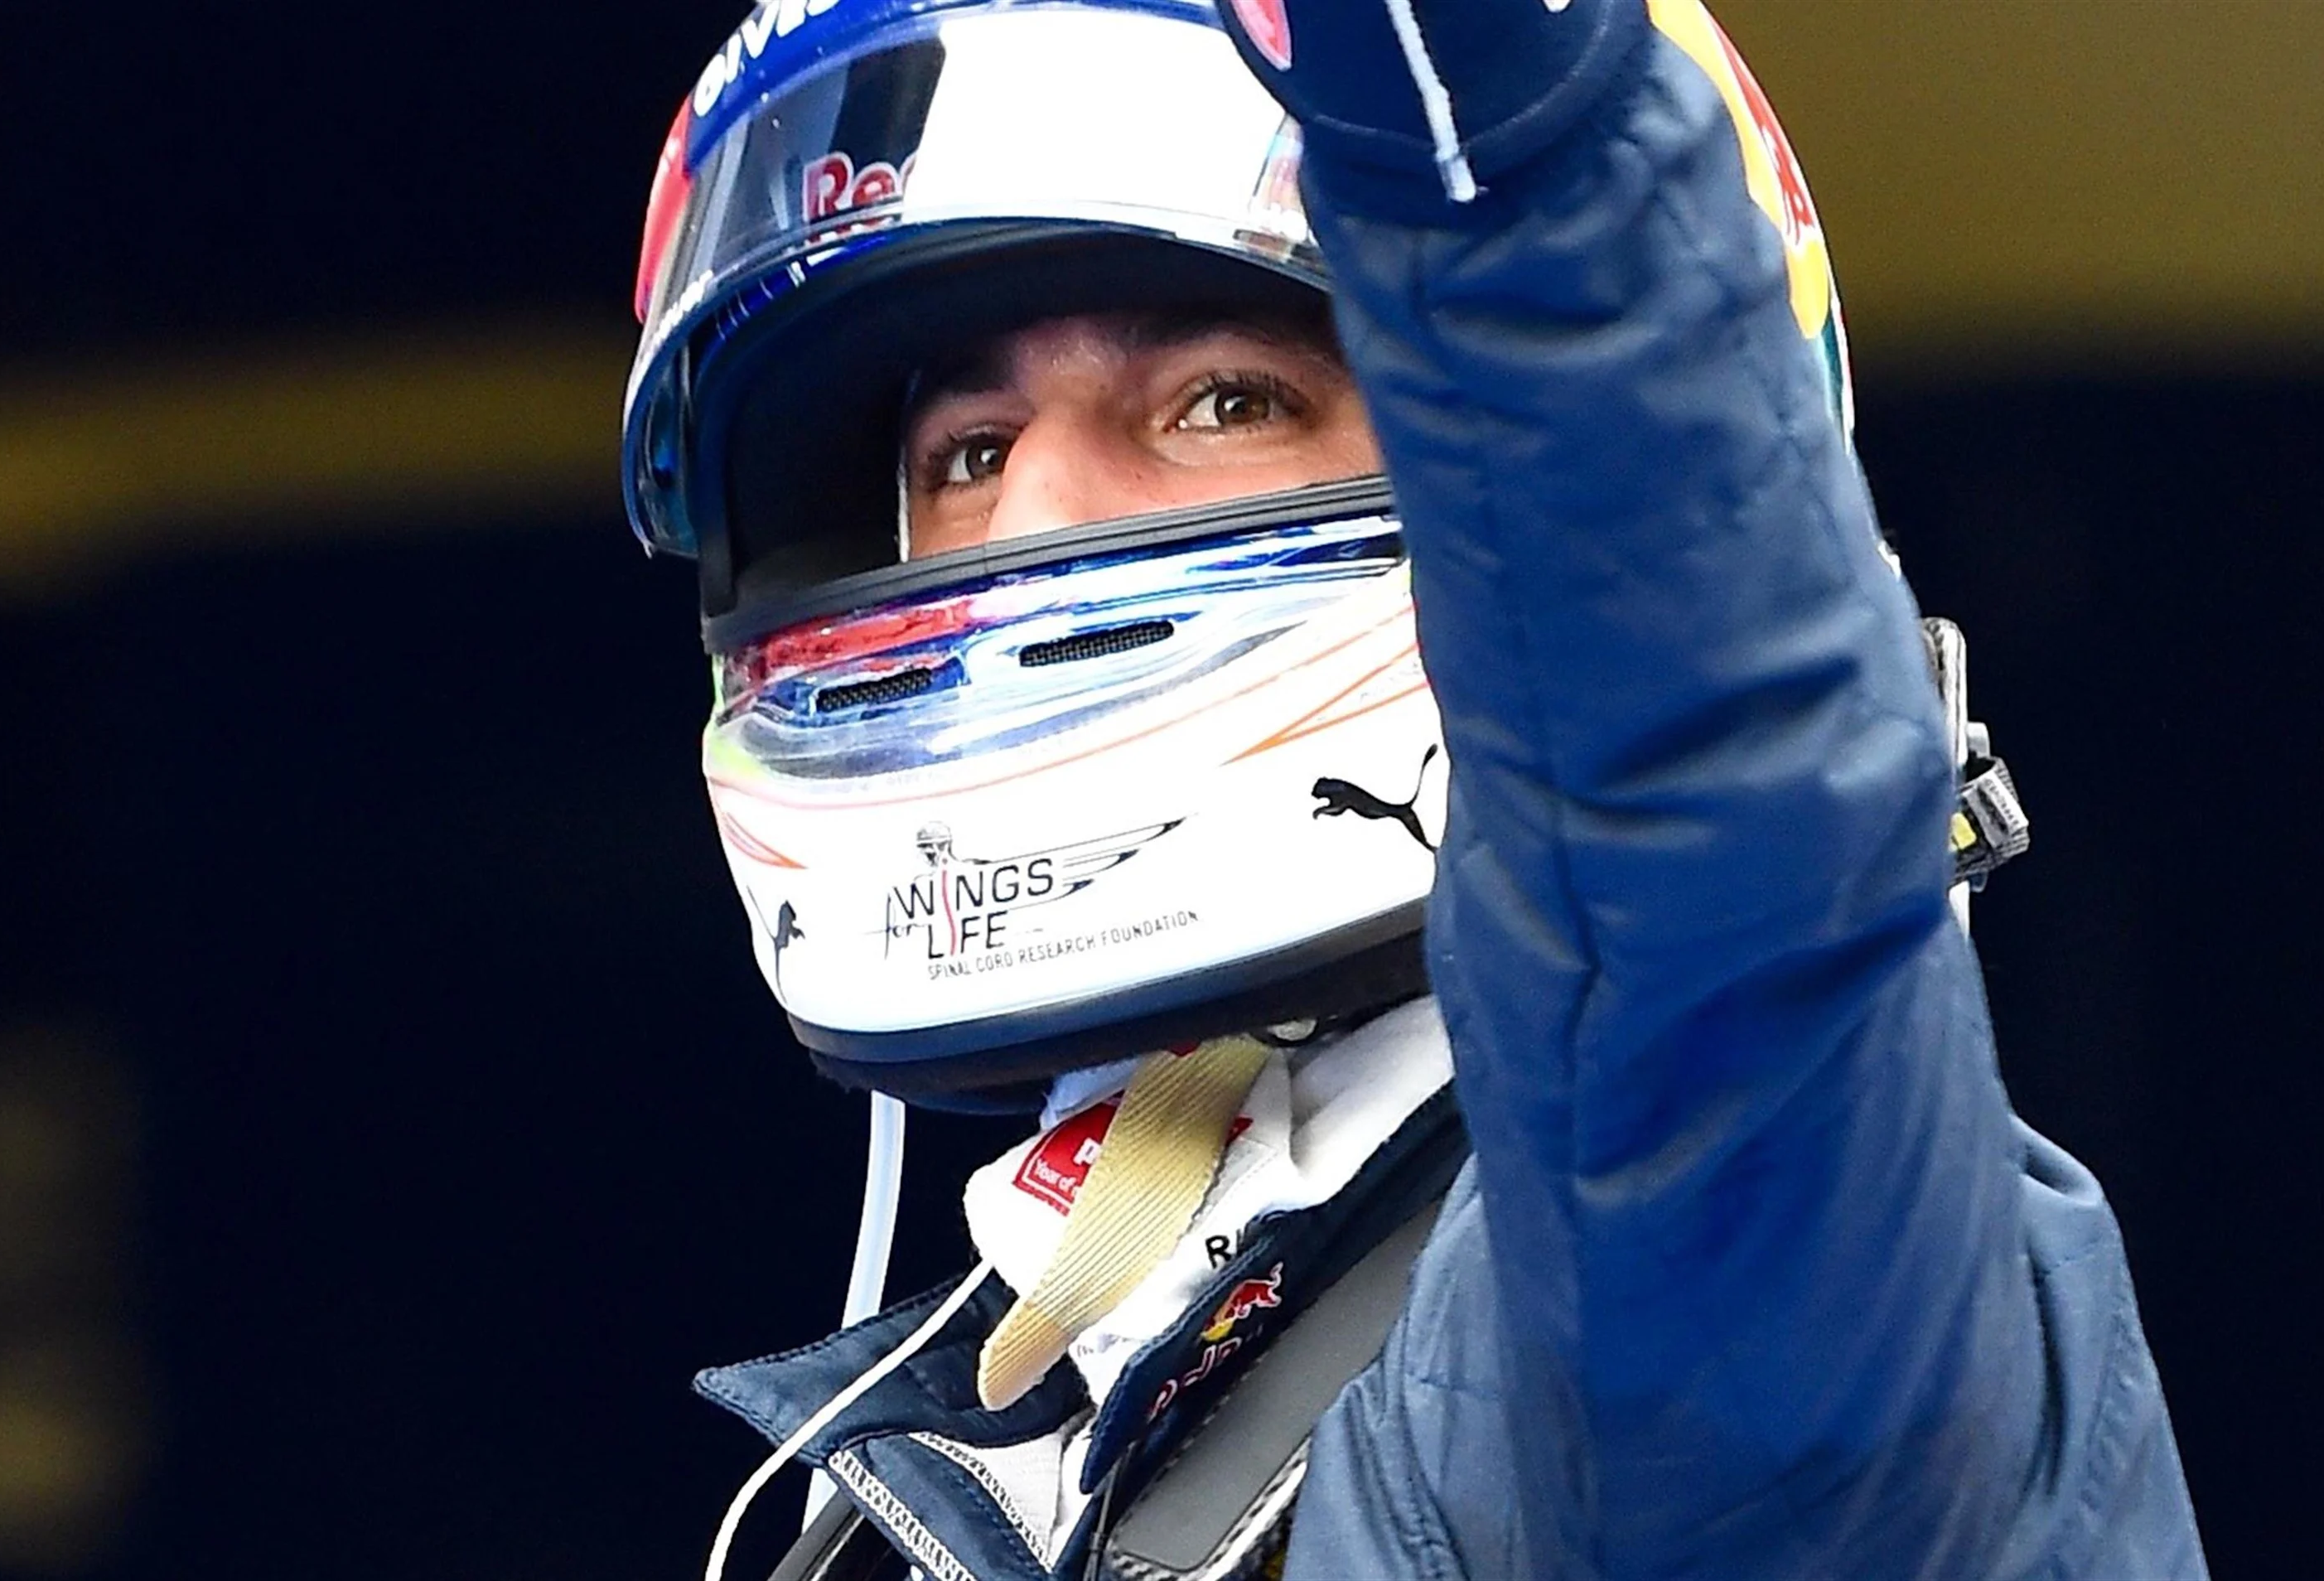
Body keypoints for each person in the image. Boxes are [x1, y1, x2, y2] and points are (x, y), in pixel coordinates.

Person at [620, 0, 2206, 1576]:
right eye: (968, 450)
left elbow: (1694, 789)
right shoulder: (1009, 1402)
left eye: (1223, 402)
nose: (1031, 513)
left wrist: (1522, 169)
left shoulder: (1721, 1260)